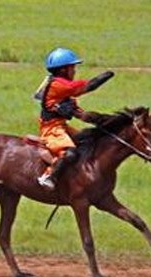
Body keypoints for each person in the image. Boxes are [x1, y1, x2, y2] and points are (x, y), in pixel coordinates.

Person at [34, 47, 114, 189]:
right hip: (51, 130)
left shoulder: (65, 91)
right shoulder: (58, 85)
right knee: (70, 153)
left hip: (62, 127)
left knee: (86, 141)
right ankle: (49, 177)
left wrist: (101, 121)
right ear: (63, 70)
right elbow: (87, 86)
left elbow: (80, 114)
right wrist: (107, 75)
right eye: (72, 67)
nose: (75, 71)